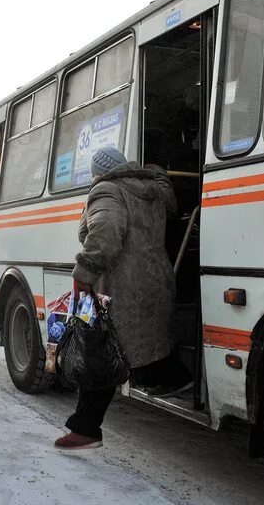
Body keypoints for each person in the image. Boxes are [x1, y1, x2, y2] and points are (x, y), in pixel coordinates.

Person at [54, 146, 192, 451]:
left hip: (120, 287)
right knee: (149, 342)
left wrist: (83, 273)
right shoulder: (153, 191)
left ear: (99, 173)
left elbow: (104, 233)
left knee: (99, 355)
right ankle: (177, 379)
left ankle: (86, 429)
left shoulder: (107, 190)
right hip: (155, 282)